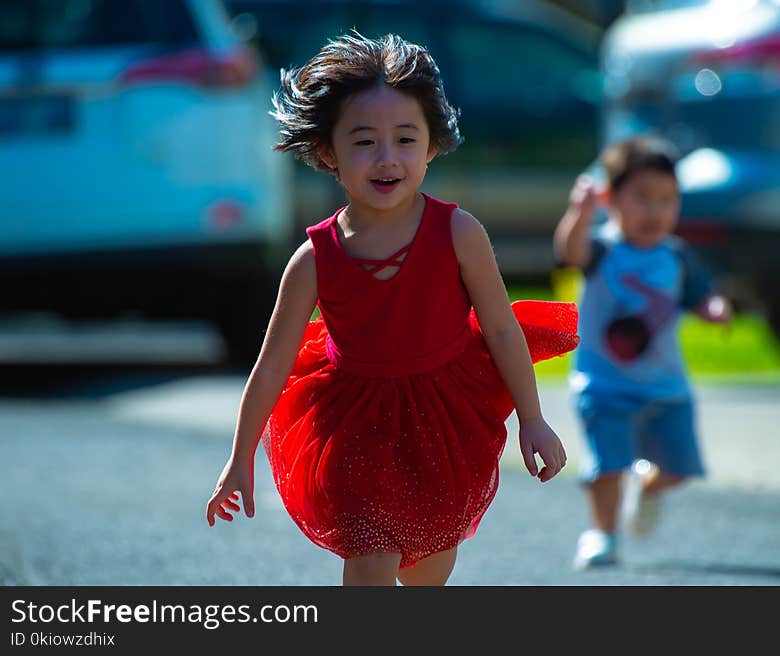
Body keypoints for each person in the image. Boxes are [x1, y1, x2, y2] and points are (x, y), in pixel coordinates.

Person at [205, 31, 579, 586]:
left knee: (426, 573)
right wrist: (239, 460)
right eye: (364, 141)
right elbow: (271, 368)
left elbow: (501, 332)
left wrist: (533, 419)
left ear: (431, 146)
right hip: (351, 425)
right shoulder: (313, 260)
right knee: (370, 557)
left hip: (441, 421)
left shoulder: (458, 233)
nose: (387, 158)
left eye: (405, 139)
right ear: (328, 152)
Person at [553, 135, 732, 570]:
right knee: (606, 465)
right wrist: (580, 211)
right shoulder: (602, 249)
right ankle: (602, 534)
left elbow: (700, 295)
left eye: (667, 200)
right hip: (604, 383)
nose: (656, 211)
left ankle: (650, 485)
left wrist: (714, 308)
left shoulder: (677, 256)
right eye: (643, 198)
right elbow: (568, 253)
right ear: (611, 198)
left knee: (681, 468)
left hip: (665, 386)